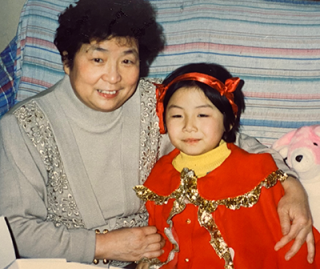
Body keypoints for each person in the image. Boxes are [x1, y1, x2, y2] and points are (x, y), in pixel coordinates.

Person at [0, 0, 314, 267]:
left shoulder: (157, 102)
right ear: (68, 61)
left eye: (127, 60)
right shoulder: (23, 126)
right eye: (97, 59)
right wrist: (102, 245)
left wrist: (290, 184)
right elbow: (14, 231)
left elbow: (226, 140)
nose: (113, 77)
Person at [134, 62, 320, 269]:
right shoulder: (159, 173)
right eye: (177, 115)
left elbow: (287, 241)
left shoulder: (258, 172)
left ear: (229, 122)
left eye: (202, 115)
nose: (189, 126)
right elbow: (159, 236)